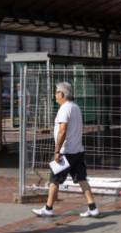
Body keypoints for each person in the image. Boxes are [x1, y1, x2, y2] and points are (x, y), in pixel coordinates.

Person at [32, 82, 99, 218]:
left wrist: (57, 151)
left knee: (54, 180)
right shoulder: (76, 107)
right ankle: (93, 208)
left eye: (57, 92)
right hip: (77, 151)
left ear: (62, 94)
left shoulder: (64, 109)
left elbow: (62, 130)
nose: (55, 95)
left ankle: (48, 208)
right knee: (82, 179)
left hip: (65, 152)